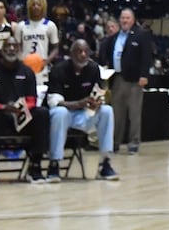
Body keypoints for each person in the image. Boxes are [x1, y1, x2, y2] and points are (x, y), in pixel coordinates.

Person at [0, 36, 50, 185]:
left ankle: (35, 165)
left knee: (42, 113)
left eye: (14, 46)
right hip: (0, 116)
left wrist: (21, 108)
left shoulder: (27, 72)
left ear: (19, 50)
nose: (11, 49)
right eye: (8, 46)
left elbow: (32, 99)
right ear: (1, 50)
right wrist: (4, 107)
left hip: (22, 116)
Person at [46, 38, 120, 181]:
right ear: (71, 53)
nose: (83, 54)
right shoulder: (59, 69)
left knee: (107, 111)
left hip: (85, 114)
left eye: (86, 51)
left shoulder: (93, 69)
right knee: (59, 113)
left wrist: (96, 102)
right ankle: (54, 164)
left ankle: (105, 163)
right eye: (79, 51)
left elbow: (99, 94)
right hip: (65, 115)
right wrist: (78, 104)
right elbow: (54, 101)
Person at [98, 7, 153, 154]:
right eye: (122, 18)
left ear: (133, 19)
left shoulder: (141, 35)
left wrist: (144, 75)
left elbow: (146, 57)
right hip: (117, 78)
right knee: (117, 112)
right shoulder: (115, 37)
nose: (124, 21)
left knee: (134, 113)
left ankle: (134, 142)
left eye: (127, 18)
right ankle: (114, 142)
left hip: (135, 80)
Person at [18, 0, 58, 65]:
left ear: (43, 7)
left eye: (39, 5)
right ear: (29, 7)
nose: (36, 7)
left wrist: (46, 62)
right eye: (33, 5)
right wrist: (21, 61)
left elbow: (55, 49)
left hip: (42, 65)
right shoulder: (21, 25)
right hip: (25, 66)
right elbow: (17, 47)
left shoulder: (50, 25)